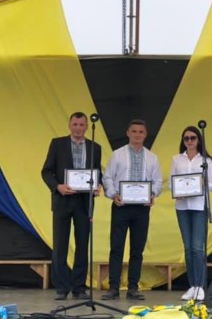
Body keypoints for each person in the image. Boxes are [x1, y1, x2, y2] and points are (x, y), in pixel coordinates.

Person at [41, 112, 102, 301]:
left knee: (82, 245)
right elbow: (46, 171)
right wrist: (57, 187)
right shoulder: (57, 144)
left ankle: (79, 287)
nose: (78, 128)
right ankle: (61, 287)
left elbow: (97, 172)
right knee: (60, 245)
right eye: (75, 124)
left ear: (86, 127)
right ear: (69, 125)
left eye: (81, 125)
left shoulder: (95, 147)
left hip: (84, 202)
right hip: (62, 200)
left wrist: (98, 185)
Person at [101, 119, 162, 301]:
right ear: (128, 133)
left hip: (142, 209)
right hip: (121, 206)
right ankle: (113, 287)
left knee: (137, 249)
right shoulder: (117, 155)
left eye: (141, 132)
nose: (137, 135)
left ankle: (133, 288)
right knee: (116, 247)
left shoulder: (152, 157)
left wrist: (152, 194)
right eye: (134, 131)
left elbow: (157, 181)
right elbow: (107, 177)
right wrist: (113, 194)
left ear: (145, 134)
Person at [170, 125, 212, 302]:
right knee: (188, 248)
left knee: (197, 247)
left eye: (192, 138)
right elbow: (171, 183)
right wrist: (177, 191)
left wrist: (201, 183)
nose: (189, 141)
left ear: (198, 140)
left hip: (198, 206)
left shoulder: (206, 161)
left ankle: (200, 286)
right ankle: (192, 285)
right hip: (182, 206)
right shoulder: (176, 159)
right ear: (183, 141)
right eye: (186, 138)